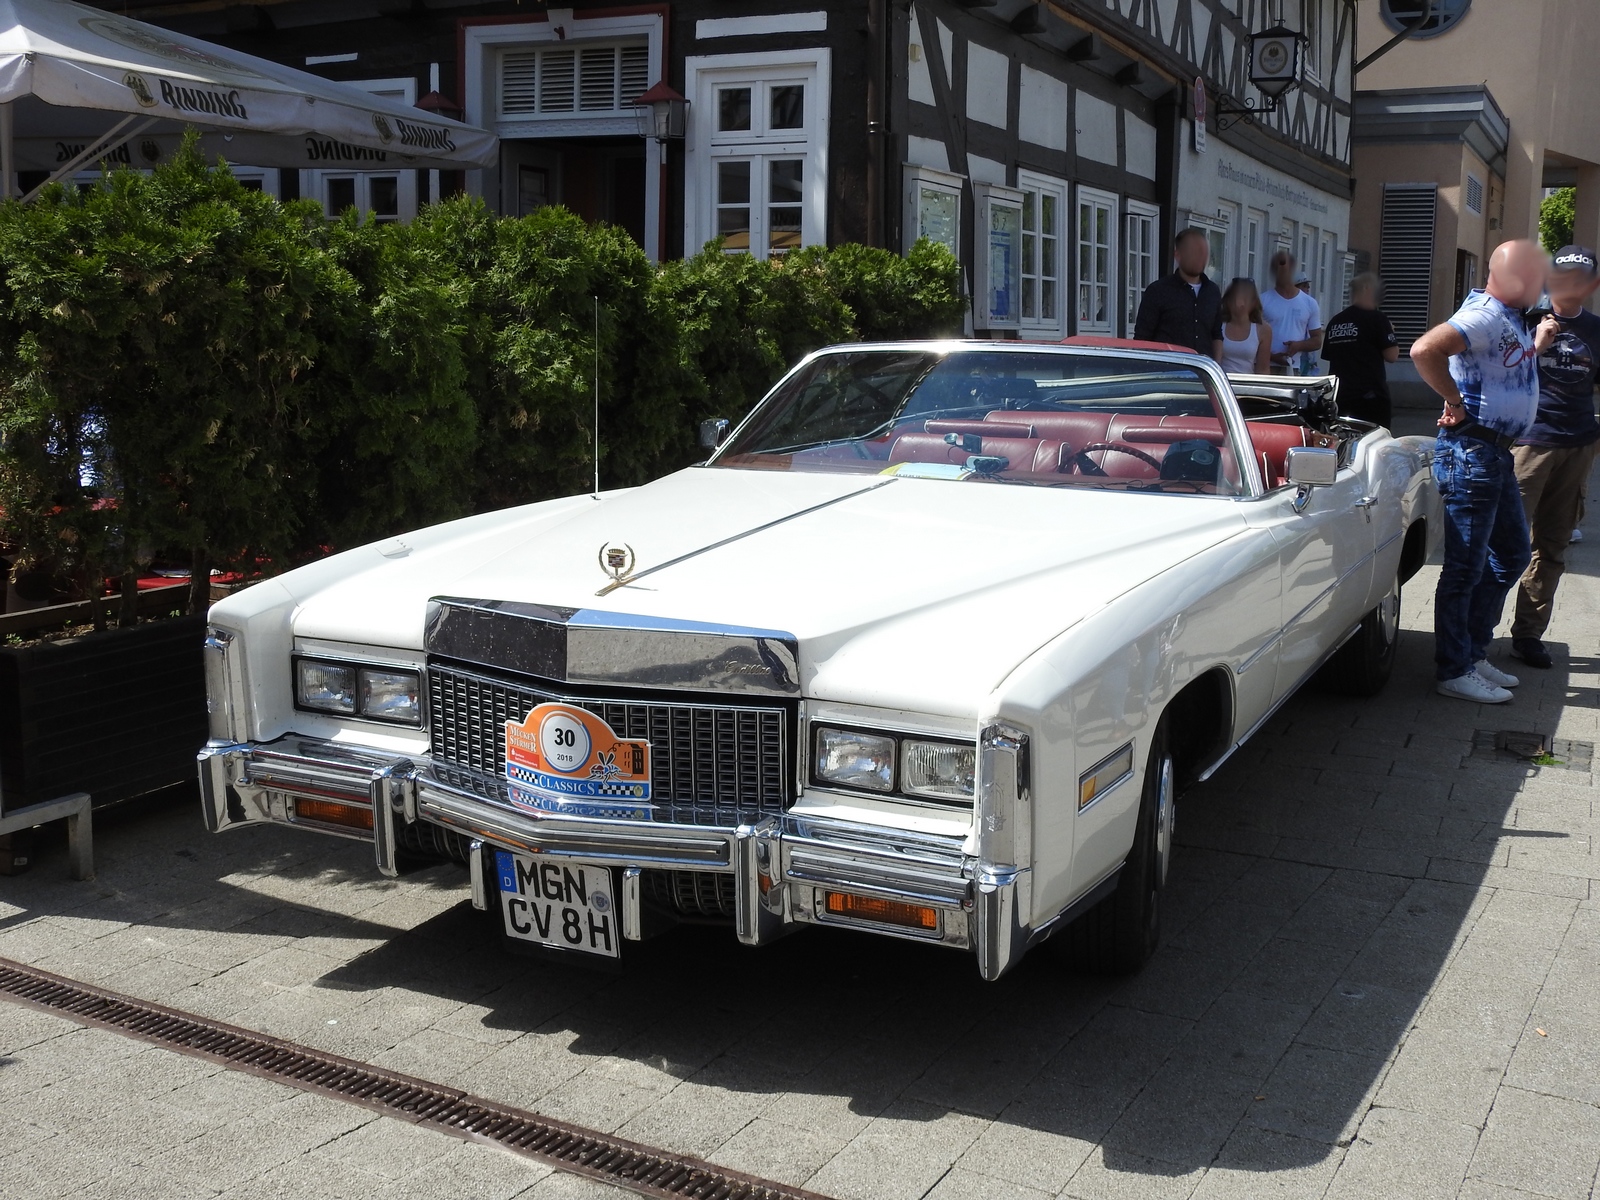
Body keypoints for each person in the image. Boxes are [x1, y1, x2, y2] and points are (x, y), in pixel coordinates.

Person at [1409, 239, 1560, 703]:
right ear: (1514, 279)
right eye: (1536, 277)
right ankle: (1454, 669)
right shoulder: (1486, 315)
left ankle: (1472, 654)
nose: (1542, 287)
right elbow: (1424, 350)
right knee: (1465, 569)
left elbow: (1503, 366)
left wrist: (1535, 347)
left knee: (1511, 556)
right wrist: (1455, 401)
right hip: (1472, 452)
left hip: (1493, 454)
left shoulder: (1510, 318)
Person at [1507, 245, 1600, 669]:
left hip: (1578, 445)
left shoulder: (1597, 330)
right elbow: (1502, 373)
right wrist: (1538, 345)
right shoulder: (1522, 320)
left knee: (1553, 545)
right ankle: (1474, 634)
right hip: (1529, 443)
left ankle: (1528, 634)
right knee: (1505, 542)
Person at [1320, 272, 1400, 426]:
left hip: (1340, 395)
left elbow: (1331, 356)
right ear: (1366, 289)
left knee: (1343, 441)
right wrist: (1390, 331)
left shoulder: (1336, 321)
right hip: (1370, 397)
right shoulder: (1377, 319)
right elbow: (1392, 356)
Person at [1133, 228, 1224, 357]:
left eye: (1203, 252)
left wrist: (1217, 365)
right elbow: (1142, 338)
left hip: (1202, 371)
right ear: (1178, 255)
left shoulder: (1212, 292)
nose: (1200, 257)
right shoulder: (1159, 291)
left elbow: (1216, 335)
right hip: (1168, 371)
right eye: (1194, 252)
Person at [1259, 251, 1323, 374]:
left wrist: (1298, 346)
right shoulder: (1262, 300)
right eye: (1278, 266)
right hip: (1264, 367)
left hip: (1293, 369)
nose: (1282, 270)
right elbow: (1251, 337)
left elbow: (1317, 341)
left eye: (1285, 265)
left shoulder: (1309, 303)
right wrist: (1271, 356)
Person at [1214, 277, 1273, 373]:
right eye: (1236, 298)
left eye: (1245, 299)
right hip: (1221, 384)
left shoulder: (1263, 330)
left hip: (1247, 385)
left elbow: (1263, 369)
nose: (1240, 303)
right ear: (1228, 300)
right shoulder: (1217, 324)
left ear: (1254, 303)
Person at [1293, 270, 1323, 374]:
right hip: (1294, 358)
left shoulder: (1310, 305)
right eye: (1305, 285)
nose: (1308, 288)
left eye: (1308, 285)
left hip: (1308, 359)